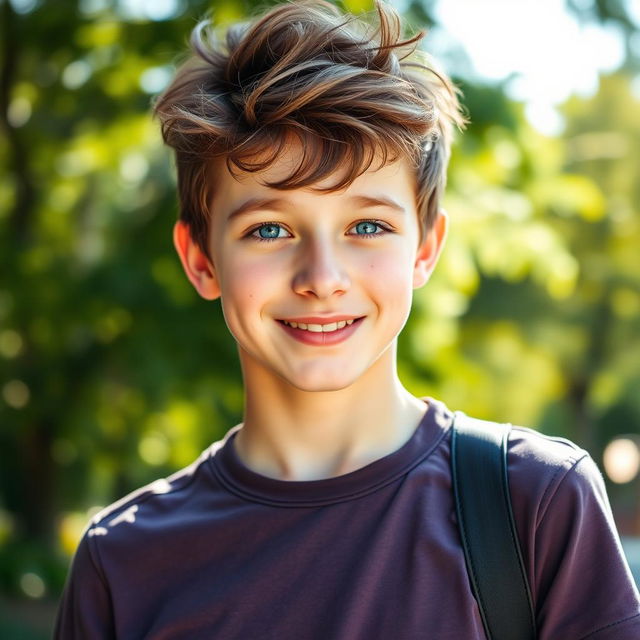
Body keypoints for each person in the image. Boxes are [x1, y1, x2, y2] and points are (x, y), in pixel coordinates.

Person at [54, 1, 640, 638]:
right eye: (269, 229)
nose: (323, 277)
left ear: (424, 249)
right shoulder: (122, 561)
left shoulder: (537, 503)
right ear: (201, 260)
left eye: (368, 226)